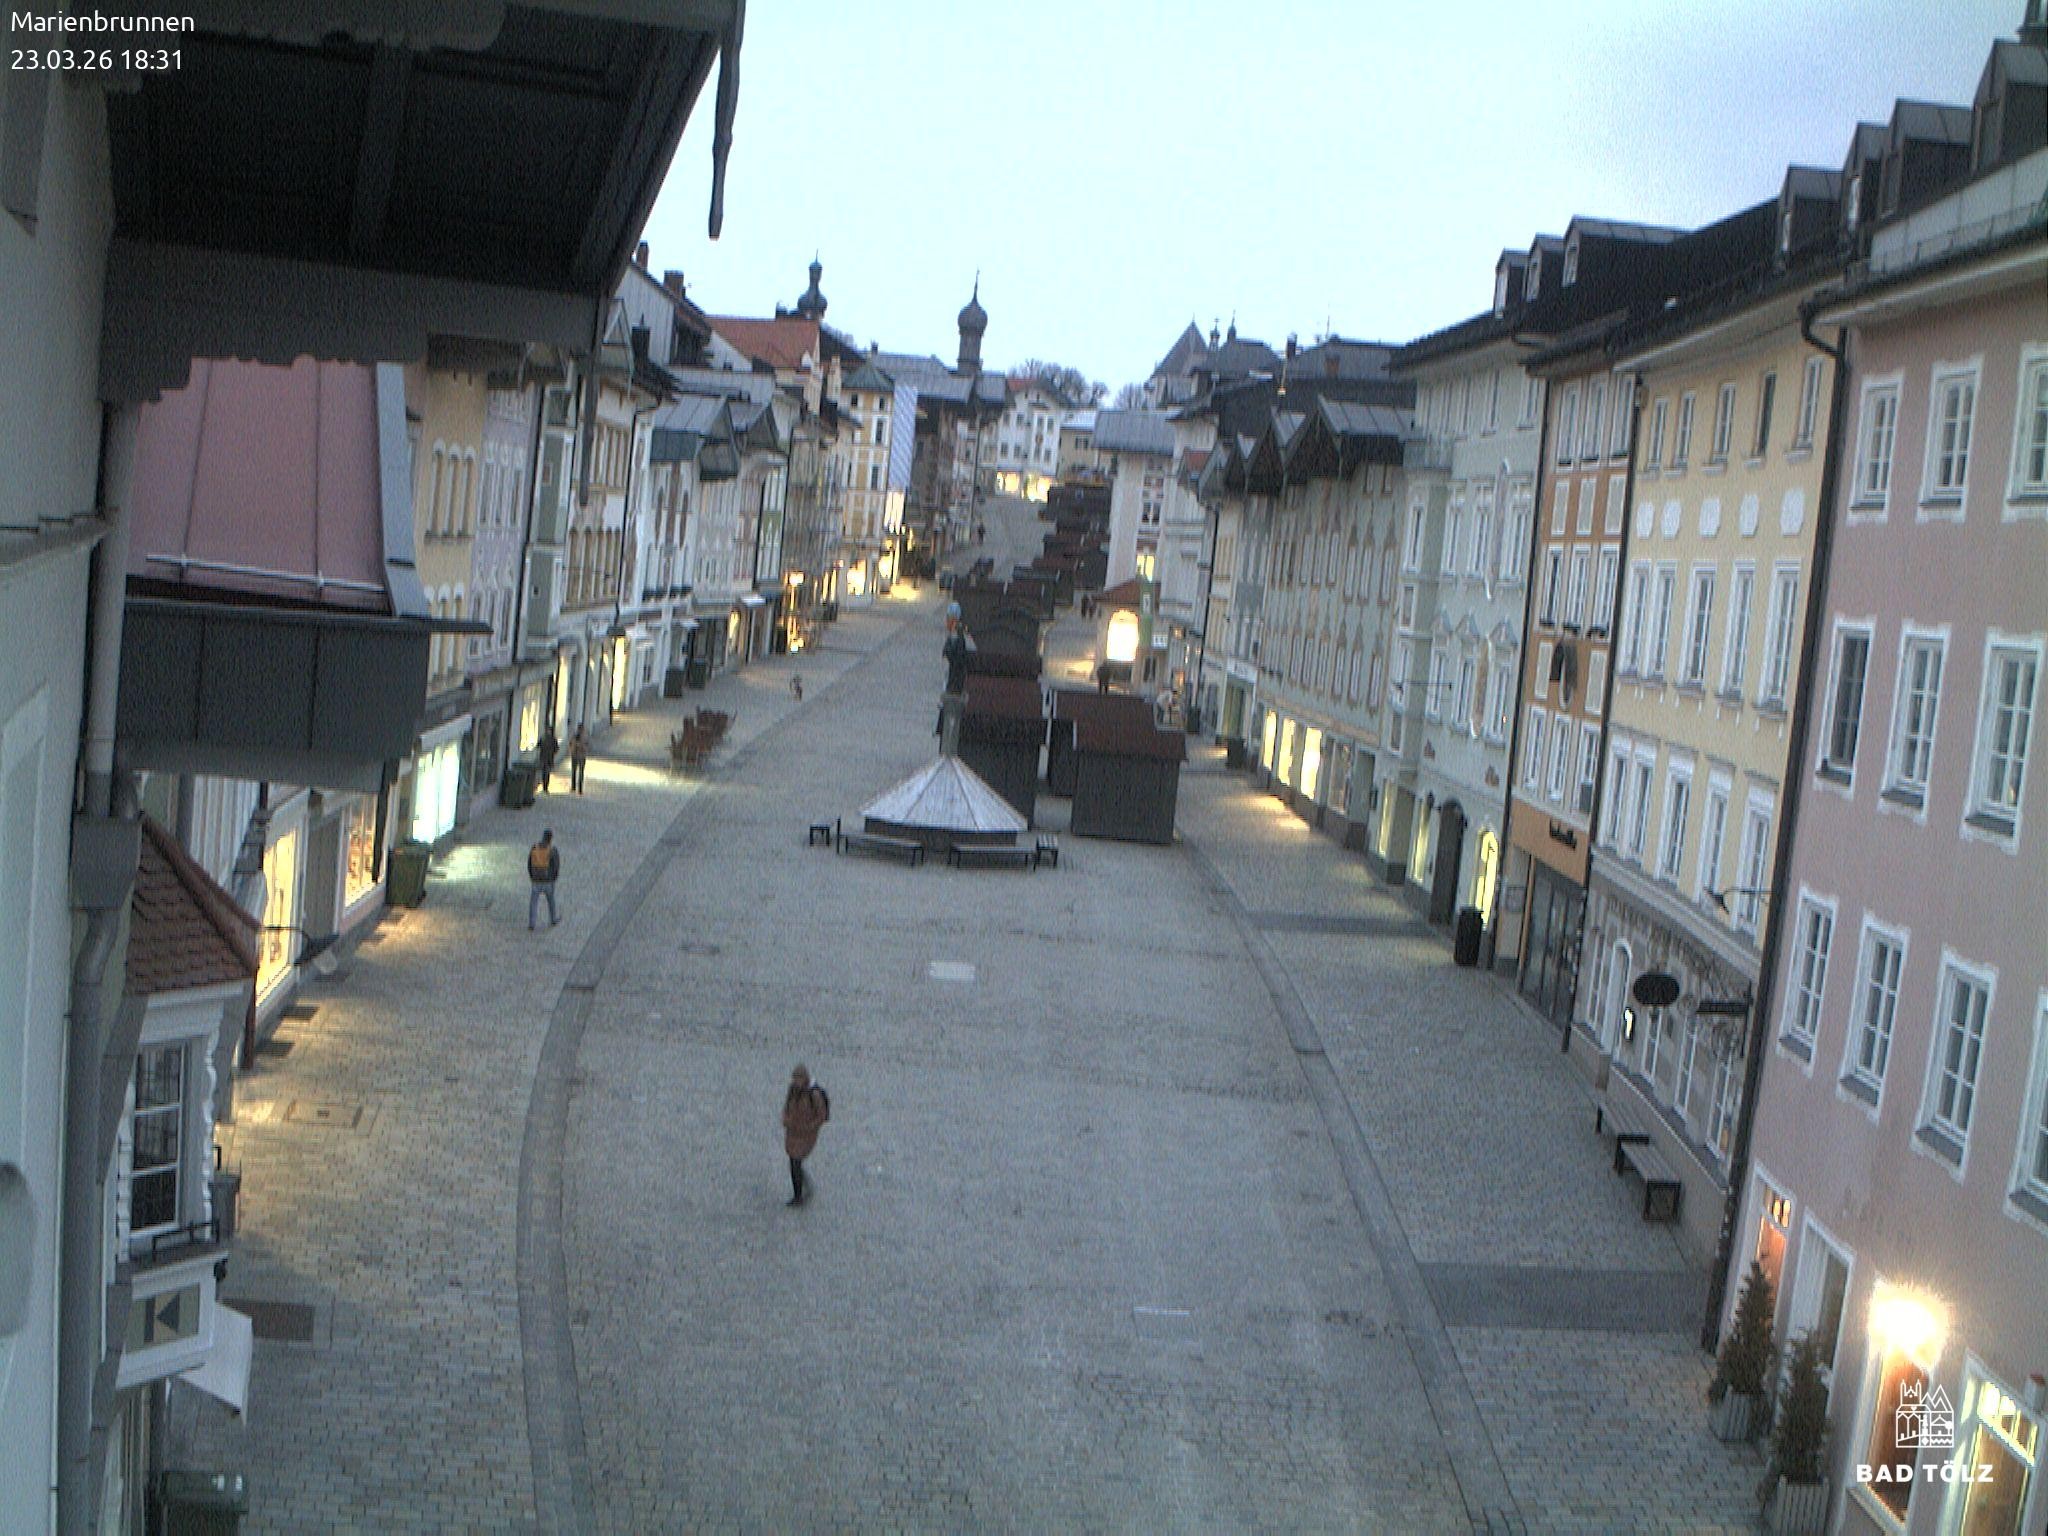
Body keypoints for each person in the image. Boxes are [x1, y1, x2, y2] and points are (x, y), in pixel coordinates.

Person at [781, 1063, 830, 1206]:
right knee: (794, 1160)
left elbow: (821, 1115)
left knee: (795, 1161)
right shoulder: (793, 1091)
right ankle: (803, 1187)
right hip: (793, 1131)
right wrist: (786, 1118)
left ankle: (798, 1196)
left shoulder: (814, 1095)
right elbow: (787, 1105)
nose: (796, 1082)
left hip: (806, 1134)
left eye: (798, 1079)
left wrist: (809, 1127)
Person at [527, 829, 561, 930]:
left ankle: (532, 923)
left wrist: (532, 876)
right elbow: (556, 866)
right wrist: (554, 878)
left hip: (536, 880)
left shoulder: (535, 847)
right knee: (551, 900)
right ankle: (553, 919)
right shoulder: (552, 850)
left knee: (533, 902)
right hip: (548, 880)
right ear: (550, 839)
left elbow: (529, 864)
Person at [536, 726, 559, 794]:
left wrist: (552, 753)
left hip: (549, 759)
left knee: (547, 773)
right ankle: (544, 787)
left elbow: (556, 748)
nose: (548, 732)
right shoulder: (543, 738)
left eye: (549, 730)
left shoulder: (553, 739)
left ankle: (545, 788)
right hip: (543, 758)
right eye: (547, 730)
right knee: (544, 773)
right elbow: (538, 745)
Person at [568, 726, 589, 794]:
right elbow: (570, 744)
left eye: (581, 730)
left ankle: (579, 788)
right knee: (574, 772)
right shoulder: (574, 737)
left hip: (581, 757)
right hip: (575, 756)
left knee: (580, 773)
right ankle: (574, 787)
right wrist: (573, 749)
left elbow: (586, 747)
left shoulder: (584, 738)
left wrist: (580, 746)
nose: (580, 731)